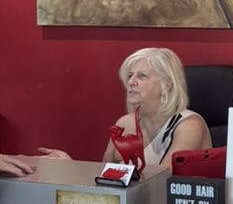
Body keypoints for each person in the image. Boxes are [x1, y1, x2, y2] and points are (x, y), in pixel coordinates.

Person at [40, 48, 211, 169]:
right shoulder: (125, 123)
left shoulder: (189, 125)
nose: (131, 82)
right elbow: (103, 175)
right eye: (130, 76)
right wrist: (71, 168)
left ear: (167, 84)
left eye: (141, 76)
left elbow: (163, 177)